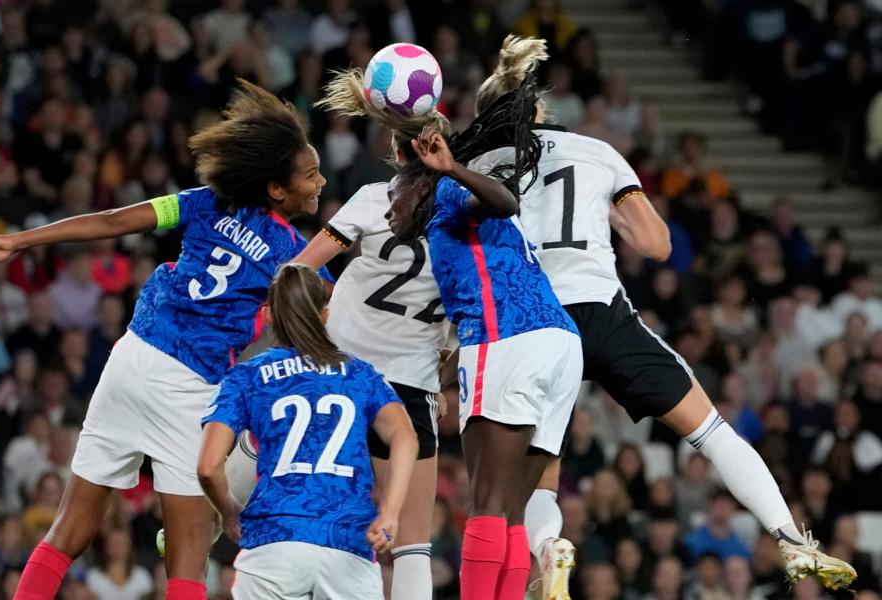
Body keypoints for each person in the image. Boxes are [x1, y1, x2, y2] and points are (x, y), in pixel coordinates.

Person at [468, 35, 857, 598]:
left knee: (540, 470)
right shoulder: (597, 152)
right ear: (539, 108)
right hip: (602, 312)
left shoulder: (478, 166)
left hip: (532, 322)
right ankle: (792, 539)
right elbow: (657, 245)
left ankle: (548, 549)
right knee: (710, 430)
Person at [0, 79, 328, 600]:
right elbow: (332, 311)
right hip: (188, 389)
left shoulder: (205, 202)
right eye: (310, 174)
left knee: (67, 533)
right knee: (186, 565)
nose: (320, 181)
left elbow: (113, 220)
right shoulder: (293, 252)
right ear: (276, 189)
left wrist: (21, 239)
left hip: (130, 361)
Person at [385, 79, 583, 599]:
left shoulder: (449, 192)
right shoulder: (448, 226)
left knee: (487, 503)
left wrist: (448, 168)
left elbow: (504, 200)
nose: (388, 211)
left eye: (393, 195)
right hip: (559, 342)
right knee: (514, 509)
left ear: (418, 185)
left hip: (508, 338)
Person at [291, 68, 451, 600]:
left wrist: (299, 325)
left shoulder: (372, 197)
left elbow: (302, 268)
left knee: (305, 503)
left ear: (395, 147)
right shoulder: (462, 223)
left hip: (339, 370)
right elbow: (459, 324)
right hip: (409, 388)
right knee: (412, 545)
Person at [197, 264, 417, 599]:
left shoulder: (245, 377)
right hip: (348, 545)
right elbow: (405, 437)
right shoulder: (360, 375)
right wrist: (390, 513)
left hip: (273, 542)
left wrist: (229, 513)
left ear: (268, 316)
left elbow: (208, 467)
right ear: (325, 315)